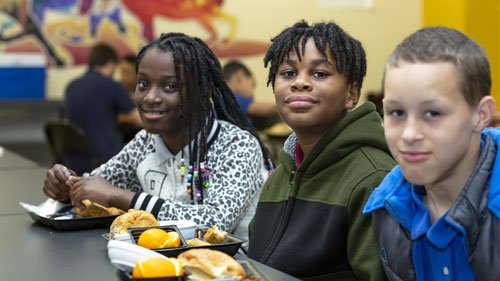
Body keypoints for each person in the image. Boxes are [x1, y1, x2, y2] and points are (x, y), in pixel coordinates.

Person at [43, 32, 273, 240]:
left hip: (235, 270)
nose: (150, 97)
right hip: (161, 266)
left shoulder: (237, 145)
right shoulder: (145, 142)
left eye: (170, 86)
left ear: (203, 93)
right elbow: (98, 187)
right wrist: (68, 188)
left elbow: (216, 223)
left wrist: (120, 197)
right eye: (143, 83)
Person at [247, 20, 395, 280]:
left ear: (352, 94)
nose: (300, 83)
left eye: (320, 74)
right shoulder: (281, 176)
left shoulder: (373, 177)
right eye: (288, 73)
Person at [363, 27, 498, 281]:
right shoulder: (386, 207)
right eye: (397, 113)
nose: (409, 134)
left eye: (433, 113)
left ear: (480, 115)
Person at [64, 43, 142, 166]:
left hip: (75, 158)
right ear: (111, 64)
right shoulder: (111, 86)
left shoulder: (72, 86)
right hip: (105, 157)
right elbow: (140, 120)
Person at [222, 60, 278, 130]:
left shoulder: (221, 98)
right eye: (252, 86)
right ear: (240, 76)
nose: (252, 94)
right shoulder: (232, 98)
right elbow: (269, 109)